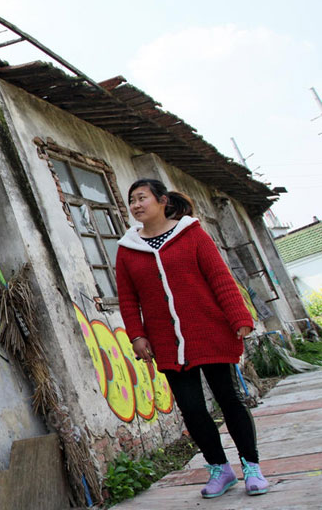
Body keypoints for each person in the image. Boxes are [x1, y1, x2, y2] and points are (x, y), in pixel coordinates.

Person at [115, 178, 270, 499]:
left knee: (230, 400)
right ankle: (220, 469)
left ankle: (251, 467)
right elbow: (128, 299)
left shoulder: (192, 233)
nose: (136, 205)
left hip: (209, 331)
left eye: (142, 198)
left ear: (162, 201)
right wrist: (137, 335)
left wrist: (239, 317)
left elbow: (220, 278)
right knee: (192, 408)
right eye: (132, 201)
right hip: (167, 341)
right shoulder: (128, 249)